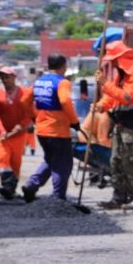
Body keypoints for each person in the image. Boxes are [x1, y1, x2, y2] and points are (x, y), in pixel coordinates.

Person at [97, 39, 133, 209]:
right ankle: (119, 197)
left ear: (121, 59)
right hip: (119, 126)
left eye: (114, 61)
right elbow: (111, 96)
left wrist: (105, 83)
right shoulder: (120, 77)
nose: (112, 64)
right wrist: (101, 105)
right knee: (117, 162)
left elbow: (126, 97)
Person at [22, 54, 80, 202]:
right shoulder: (62, 82)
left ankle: (31, 185)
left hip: (42, 131)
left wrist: (34, 117)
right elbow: (65, 101)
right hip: (58, 132)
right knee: (62, 164)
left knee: (50, 160)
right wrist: (74, 121)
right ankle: (58, 198)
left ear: (48, 66)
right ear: (64, 66)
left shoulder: (38, 82)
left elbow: (24, 100)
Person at [0, 65, 36, 199]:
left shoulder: (25, 93)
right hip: (1, 135)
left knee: (16, 161)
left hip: (18, 135)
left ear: (14, 78)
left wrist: (20, 126)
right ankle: (7, 186)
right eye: (2, 78)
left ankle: (11, 189)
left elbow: (31, 113)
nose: (4, 80)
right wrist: (2, 130)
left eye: (7, 77)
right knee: (3, 157)